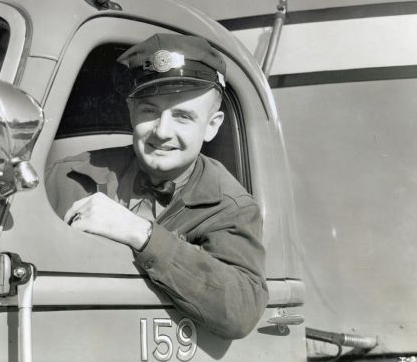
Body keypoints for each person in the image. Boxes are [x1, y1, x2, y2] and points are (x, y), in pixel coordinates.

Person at [45, 34, 268, 339]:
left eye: (183, 116)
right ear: (131, 111)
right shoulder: (70, 177)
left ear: (212, 125)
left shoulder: (230, 207)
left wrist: (142, 234)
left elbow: (241, 309)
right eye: (149, 111)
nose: (162, 131)